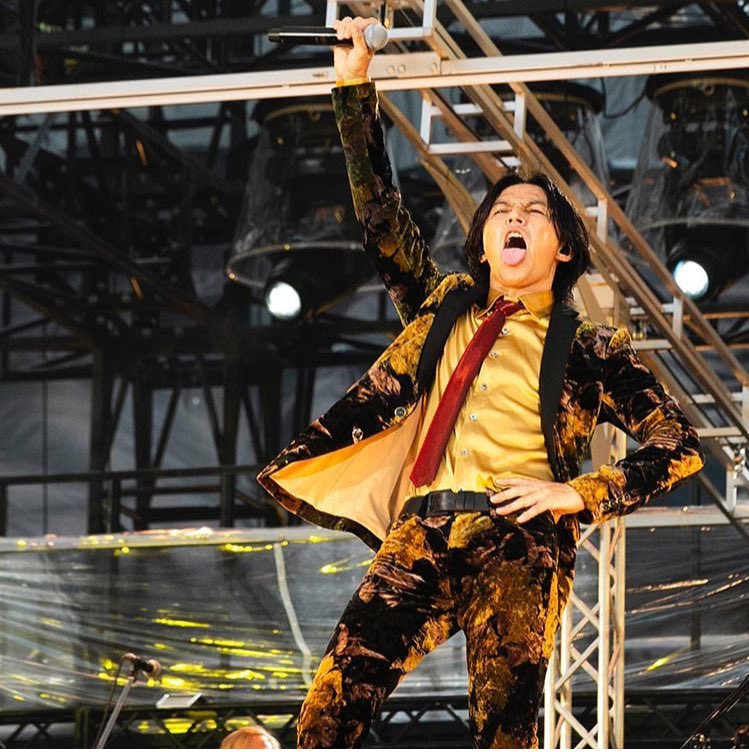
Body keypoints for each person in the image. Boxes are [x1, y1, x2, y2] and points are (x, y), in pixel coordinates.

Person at [257, 16, 704, 749]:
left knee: (505, 731)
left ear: (562, 249)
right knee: (327, 712)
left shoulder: (591, 348)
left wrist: (577, 494)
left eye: (534, 213)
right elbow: (380, 216)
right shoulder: (442, 310)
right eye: (502, 212)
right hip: (420, 533)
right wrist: (353, 83)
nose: (514, 217)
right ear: (486, 243)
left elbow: (679, 444)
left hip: (518, 538)